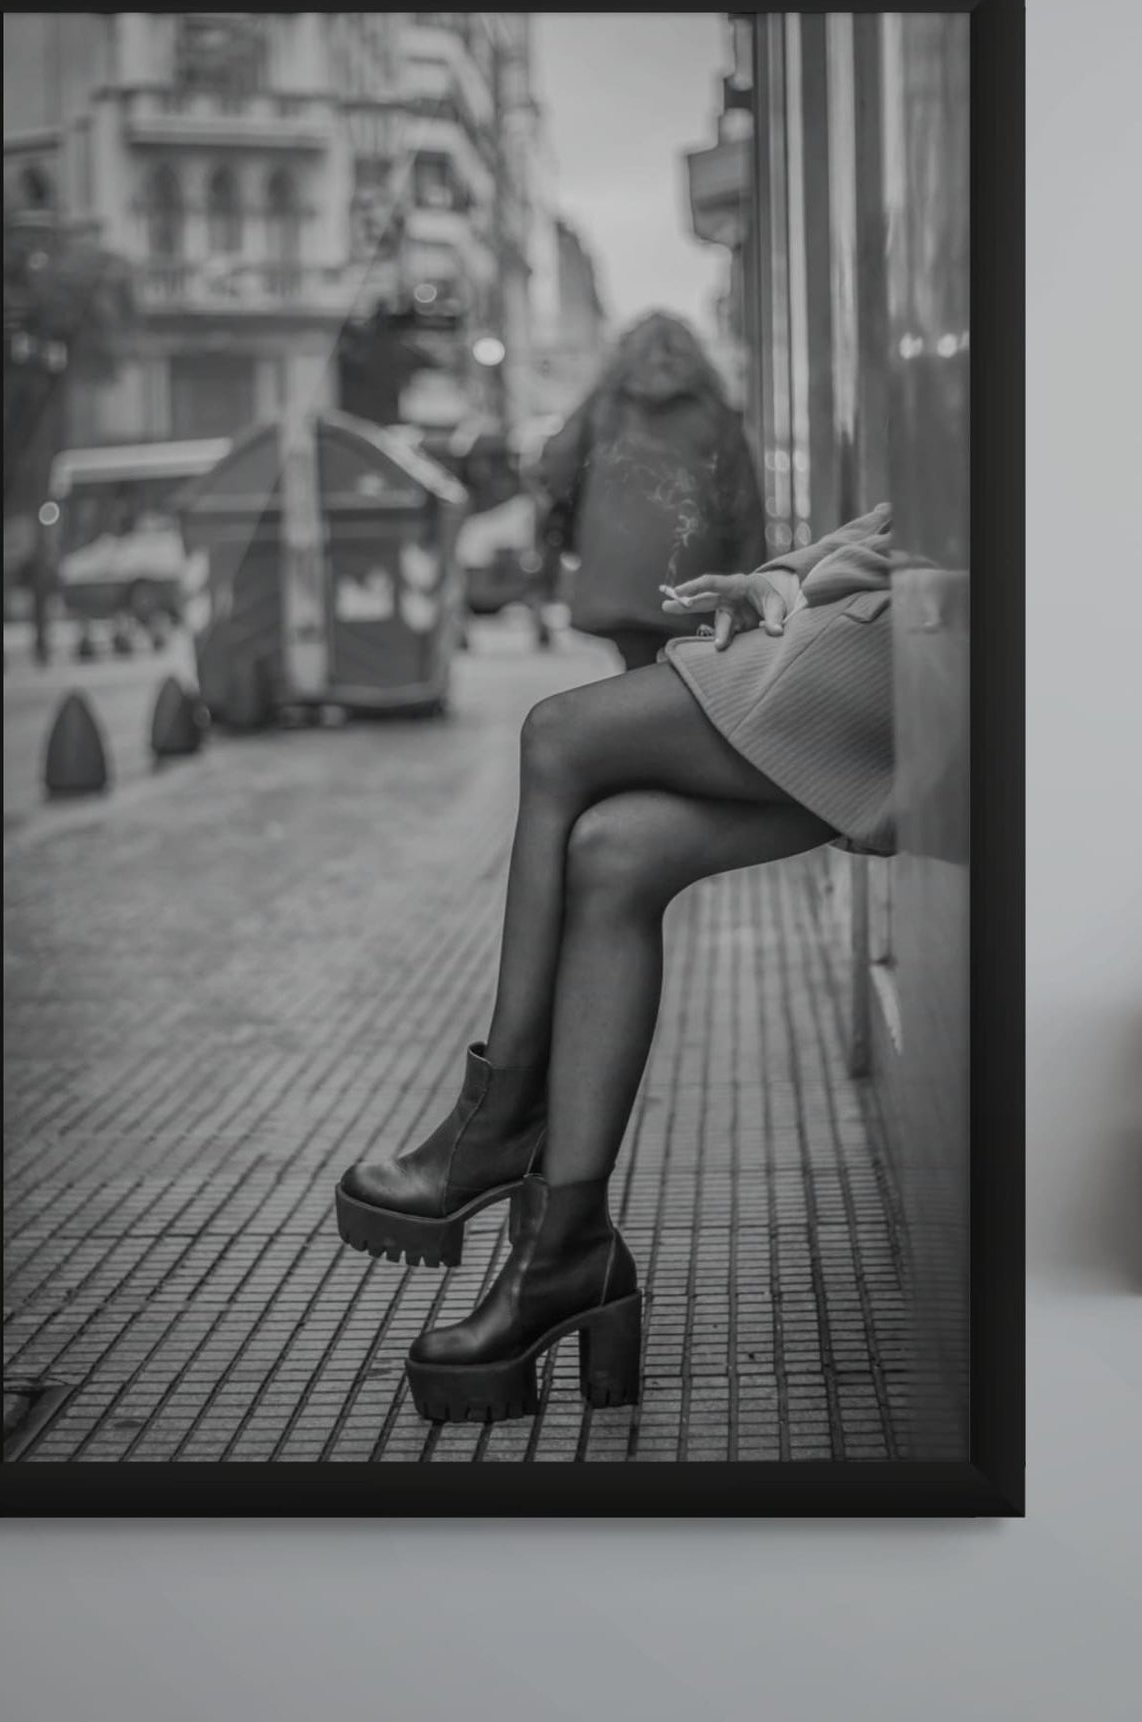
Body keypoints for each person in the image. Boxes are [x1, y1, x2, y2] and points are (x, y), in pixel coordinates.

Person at [333, 504, 895, 1423]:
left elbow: (949, 528)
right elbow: (913, 511)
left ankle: (497, 1122)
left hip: (910, 657)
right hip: (885, 652)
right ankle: (567, 1251)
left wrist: (804, 580)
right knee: (613, 852)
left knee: (559, 732)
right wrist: (783, 573)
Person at [536, 312, 765, 672]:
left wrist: (575, 516)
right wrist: (748, 573)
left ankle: (642, 710)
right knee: (680, 653)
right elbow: (743, 504)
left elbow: (556, 464)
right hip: (692, 568)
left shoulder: (605, 404)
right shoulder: (715, 413)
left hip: (615, 566)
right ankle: (661, 712)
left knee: (636, 657)